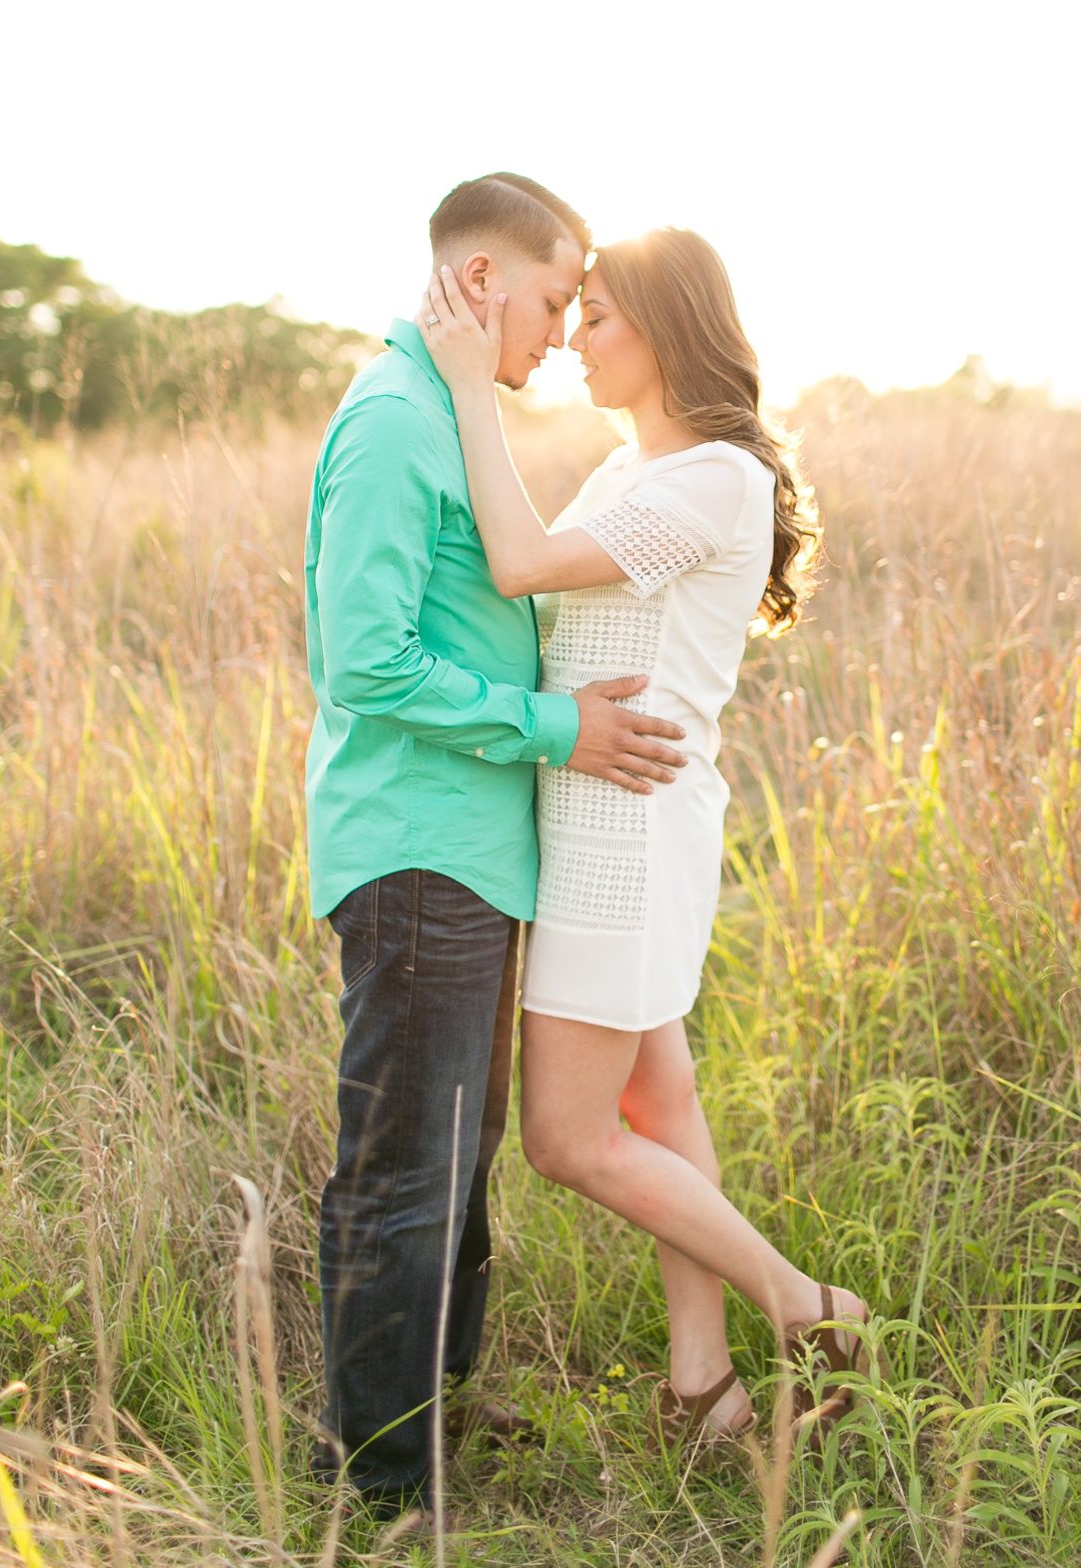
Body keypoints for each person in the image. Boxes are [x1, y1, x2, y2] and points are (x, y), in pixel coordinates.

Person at [417, 227, 868, 1449]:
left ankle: (805, 1301)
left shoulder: (710, 477)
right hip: (602, 812)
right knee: (660, 1101)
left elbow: (519, 565)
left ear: (666, 332)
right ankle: (703, 1382)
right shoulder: (634, 469)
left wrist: (466, 385)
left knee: (568, 1136)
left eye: (598, 315)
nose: (571, 337)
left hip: (627, 828)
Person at [303, 175, 691, 1517]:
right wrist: (553, 725)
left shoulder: (447, 415)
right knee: (406, 1172)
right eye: (547, 296)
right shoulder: (399, 423)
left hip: (468, 847)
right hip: (419, 850)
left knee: (448, 1167)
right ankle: (380, 1488)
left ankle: (431, 1422)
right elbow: (363, 664)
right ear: (480, 283)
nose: (560, 327)